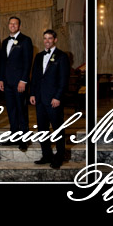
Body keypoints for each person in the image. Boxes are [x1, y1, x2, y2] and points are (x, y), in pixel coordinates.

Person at [29, 30, 70, 168]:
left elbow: (63, 80)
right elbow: (34, 77)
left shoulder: (62, 56)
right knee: (42, 129)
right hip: (40, 99)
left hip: (53, 99)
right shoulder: (39, 56)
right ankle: (46, 155)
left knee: (58, 128)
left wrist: (57, 97)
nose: (47, 41)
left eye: (50, 38)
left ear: (55, 40)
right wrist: (33, 94)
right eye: (45, 38)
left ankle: (60, 156)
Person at [0, 16, 33, 146]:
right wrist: (1, 79)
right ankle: (14, 136)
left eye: (15, 24)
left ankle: (24, 138)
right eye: (11, 24)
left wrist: (23, 80)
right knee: (11, 110)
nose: (12, 26)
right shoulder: (5, 41)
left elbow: (27, 62)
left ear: (19, 26)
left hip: (19, 82)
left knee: (21, 109)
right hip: (7, 82)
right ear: (8, 25)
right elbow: (3, 62)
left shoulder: (26, 40)